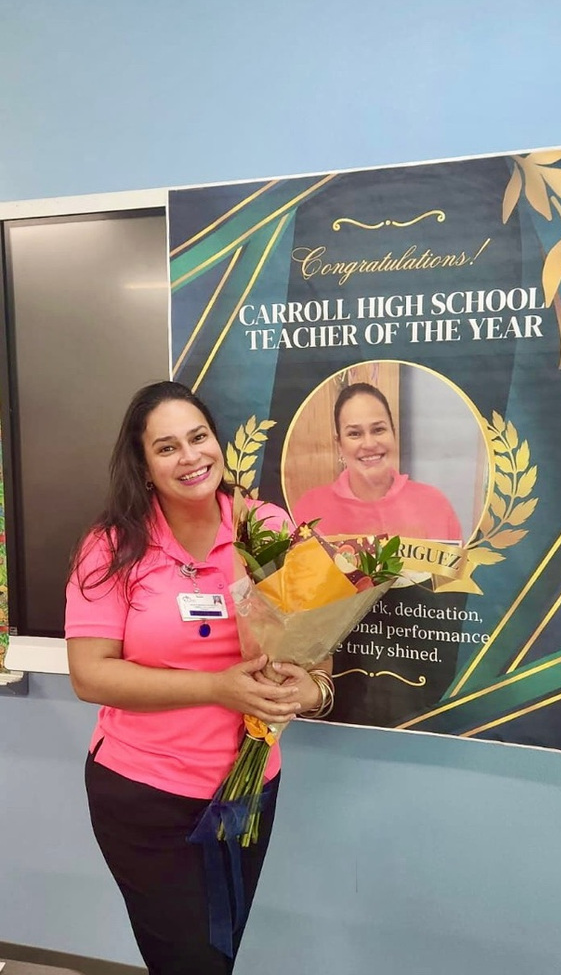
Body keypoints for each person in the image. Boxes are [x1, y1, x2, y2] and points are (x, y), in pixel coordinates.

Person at [65, 381, 330, 975]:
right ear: (144, 466)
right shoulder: (112, 546)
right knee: (188, 962)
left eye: (199, 437)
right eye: (166, 448)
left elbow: (317, 653)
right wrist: (216, 687)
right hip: (144, 793)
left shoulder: (267, 527)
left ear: (218, 442)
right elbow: (90, 675)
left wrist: (309, 690)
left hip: (248, 788)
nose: (190, 457)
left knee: (219, 951)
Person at [292, 382, 463, 541]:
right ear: (340, 445)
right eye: (354, 434)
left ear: (393, 434)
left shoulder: (434, 504)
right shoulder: (310, 509)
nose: (369, 444)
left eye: (378, 430)